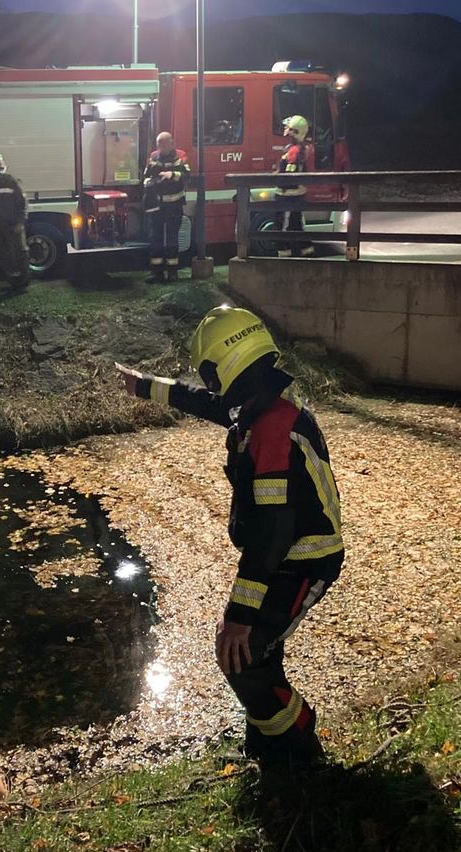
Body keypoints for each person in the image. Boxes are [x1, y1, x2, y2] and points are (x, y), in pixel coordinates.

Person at [115, 305, 343, 771]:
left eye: (210, 371)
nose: (211, 382)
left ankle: (300, 748)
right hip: (282, 554)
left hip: (304, 559)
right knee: (257, 651)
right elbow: (206, 403)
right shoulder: (262, 407)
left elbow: (272, 532)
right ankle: (266, 744)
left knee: (240, 653)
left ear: (222, 363)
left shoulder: (272, 430)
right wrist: (143, 385)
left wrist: (239, 614)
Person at [143, 131, 190, 283]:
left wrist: (172, 174)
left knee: (171, 239)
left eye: (163, 144)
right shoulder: (153, 157)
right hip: (156, 205)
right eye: (159, 144)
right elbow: (146, 175)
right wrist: (149, 182)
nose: (161, 147)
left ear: (171, 143)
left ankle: (173, 273)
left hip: (174, 205)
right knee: (155, 238)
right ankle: (156, 273)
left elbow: (186, 175)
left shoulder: (180, 156)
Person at [0, 151, 30, 290]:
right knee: (3, 253)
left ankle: (23, 280)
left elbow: (23, 202)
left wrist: (20, 222)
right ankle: (13, 281)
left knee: (20, 251)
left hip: (13, 223)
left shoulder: (11, 181)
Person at [274, 115, 315, 258]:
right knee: (296, 225)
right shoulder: (297, 149)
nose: (287, 133)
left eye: (290, 130)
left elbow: (289, 175)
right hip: (294, 195)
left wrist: (278, 179)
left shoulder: (294, 151)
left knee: (282, 227)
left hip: (288, 196)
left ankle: (284, 256)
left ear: (295, 132)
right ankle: (307, 252)